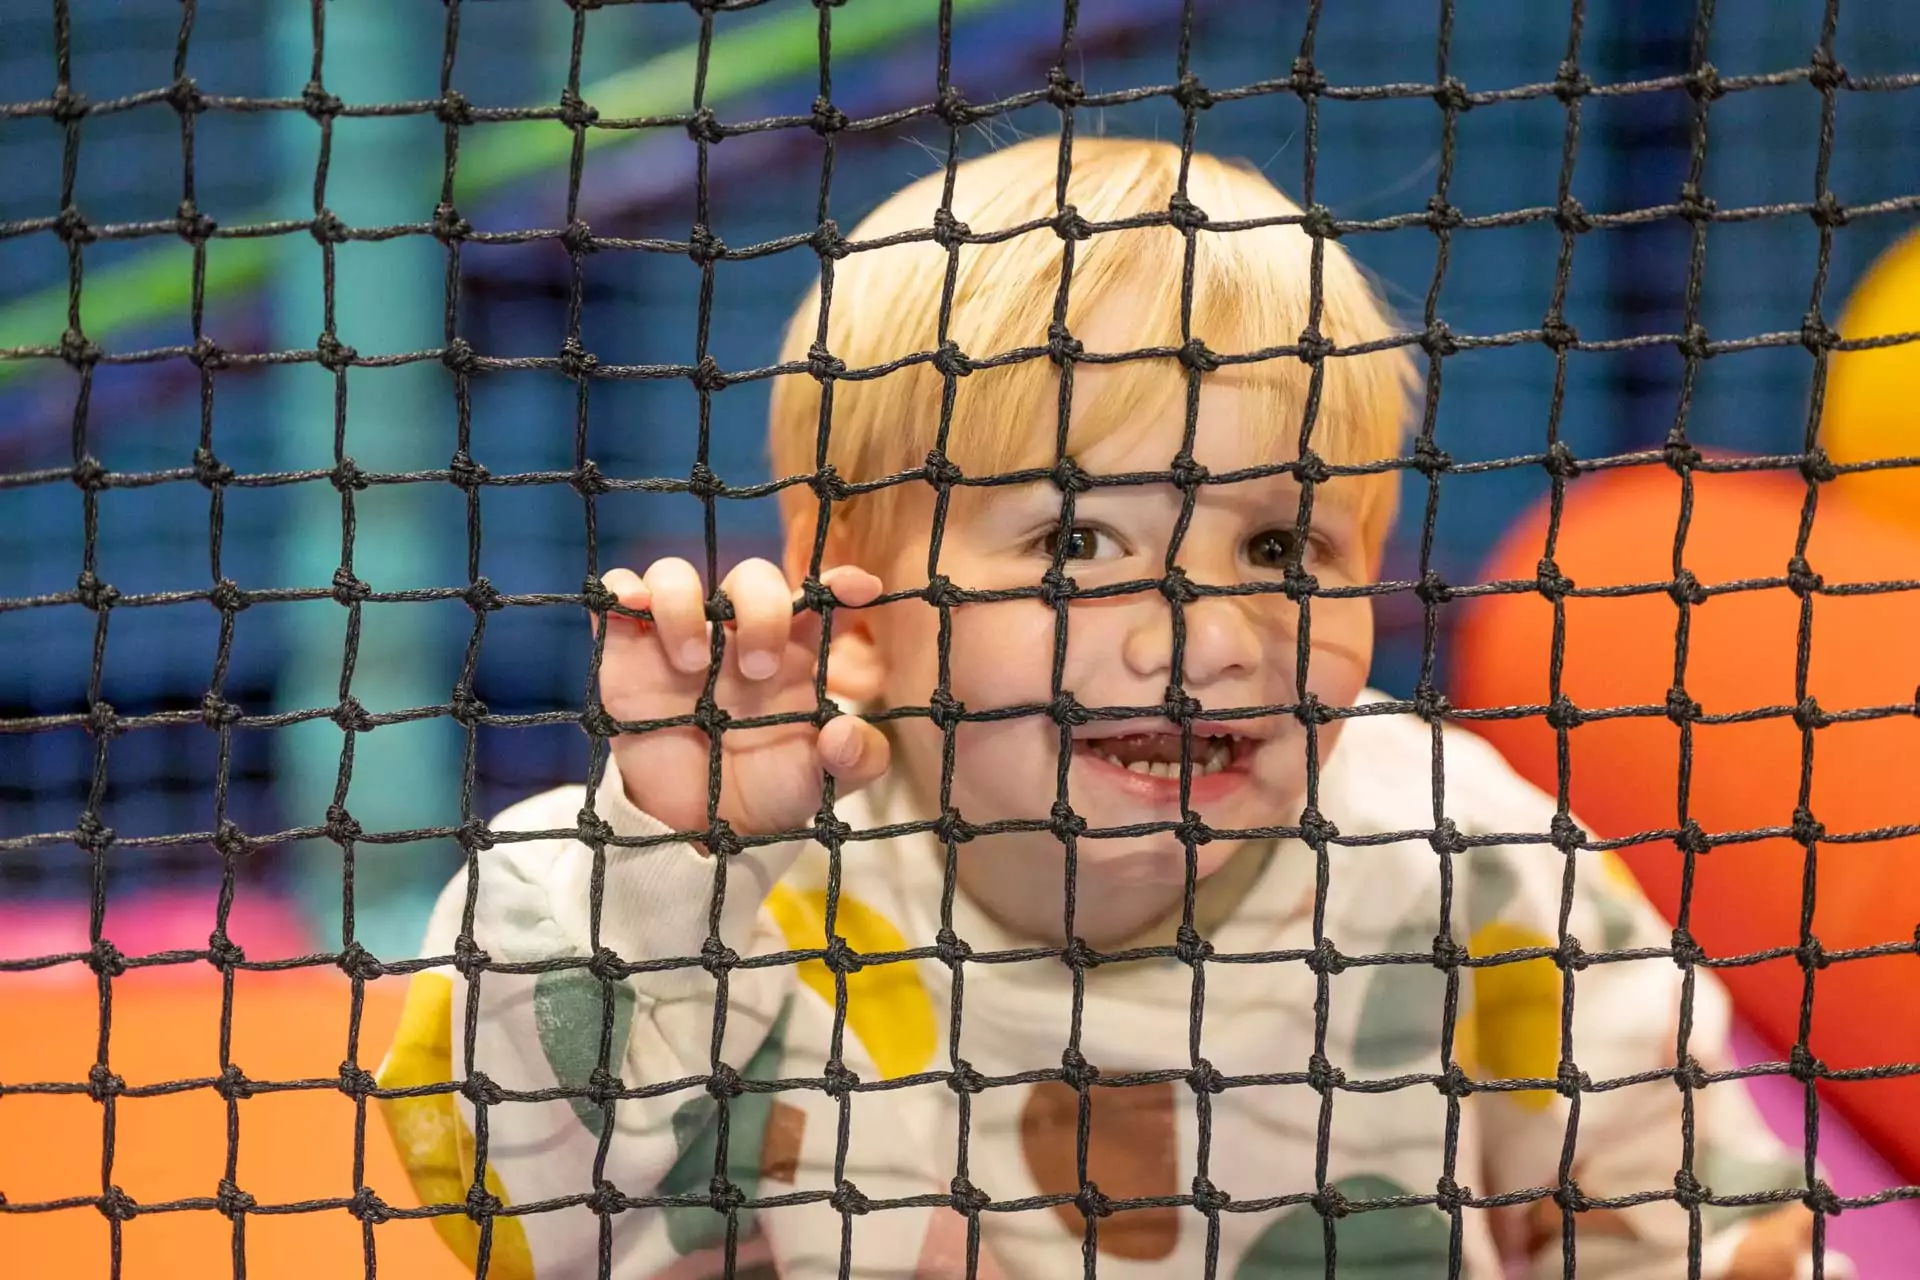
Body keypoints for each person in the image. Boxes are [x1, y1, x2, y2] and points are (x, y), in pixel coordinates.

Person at [375, 137, 1843, 1280]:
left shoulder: (1466, 859)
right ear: (864, 600)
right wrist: (659, 847)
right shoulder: (767, 882)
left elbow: (1690, 1217)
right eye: (1077, 545)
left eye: (1280, 548)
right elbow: (520, 1199)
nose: (1201, 633)